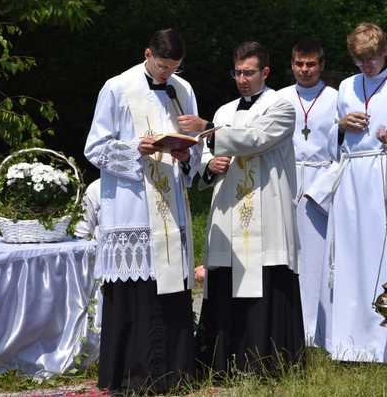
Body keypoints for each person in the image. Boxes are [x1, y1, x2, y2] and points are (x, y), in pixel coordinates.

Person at [84, 28, 201, 393]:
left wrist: (187, 154)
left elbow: (195, 148)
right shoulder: (116, 88)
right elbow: (95, 147)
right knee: (138, 289)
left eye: (174, 67)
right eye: (163, 65)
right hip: (132, 204)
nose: (167, 74)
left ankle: (174, 372)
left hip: (171, 205)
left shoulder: (183, 90)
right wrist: (137, 149)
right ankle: (130, 375)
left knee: (170, 290)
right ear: (147, 53)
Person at [179, 41, 304, 377]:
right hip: (229, 210)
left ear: (265, 71)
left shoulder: (282, 105)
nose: (242, 79)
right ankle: (222, 363)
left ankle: (268, 363)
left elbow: (254, 138)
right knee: (226, 279)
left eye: (249, 72)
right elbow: (205, 158)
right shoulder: (224, 111)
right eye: (237, 72)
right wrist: (210, 165)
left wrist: (206, 129)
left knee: (266, 278)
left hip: (267, 205)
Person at [307, 22, 387, 362]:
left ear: (384, 52)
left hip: (385, 173)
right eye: (360, 61)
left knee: (383, 253)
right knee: (349, 254)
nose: (366, 66)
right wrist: (342, 127)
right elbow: (326, 137)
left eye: (371, 59)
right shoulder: (346, 86)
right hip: (351, 177)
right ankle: (348, 341)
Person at [278, 39, 338, 346]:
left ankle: (319, 330)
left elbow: (344, 153)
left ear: (321, 65)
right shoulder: (280, 98)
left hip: (321, 180)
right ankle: (291, 328)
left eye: (311, 64)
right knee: (289, 257)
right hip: (287, 179)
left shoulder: (336, 99)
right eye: (299, 64)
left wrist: (322, 190)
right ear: (292, 65)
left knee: (318, 259)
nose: (305, 70)